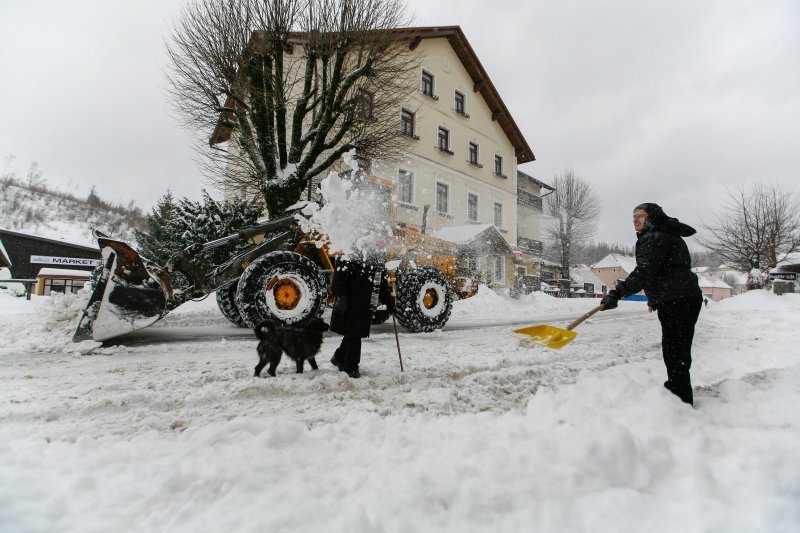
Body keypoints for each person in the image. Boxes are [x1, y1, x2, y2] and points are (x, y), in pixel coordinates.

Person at [600, 203, 702, 405]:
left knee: (675, 350)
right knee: (678, 349)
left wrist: (617, 292)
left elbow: (645, 272)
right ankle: (678, 390)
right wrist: (655, 299)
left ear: (652, 217)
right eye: (633, 217)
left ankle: (680, 398)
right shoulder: (667, 234)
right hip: (685, 298)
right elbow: (665, 272)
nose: (636, 220)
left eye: (640, 216)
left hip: (677, 300)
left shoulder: (654, 237)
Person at [329, 254, 394, 378]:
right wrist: (341, 297)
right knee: (355, 334)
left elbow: (381, 284)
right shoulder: (350, 255)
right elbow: (338, 279)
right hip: (351, 302)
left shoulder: (377, 260)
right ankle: (351, 368)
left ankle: (339, 357)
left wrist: (390, 302)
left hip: (365, 303)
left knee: (353, 332)